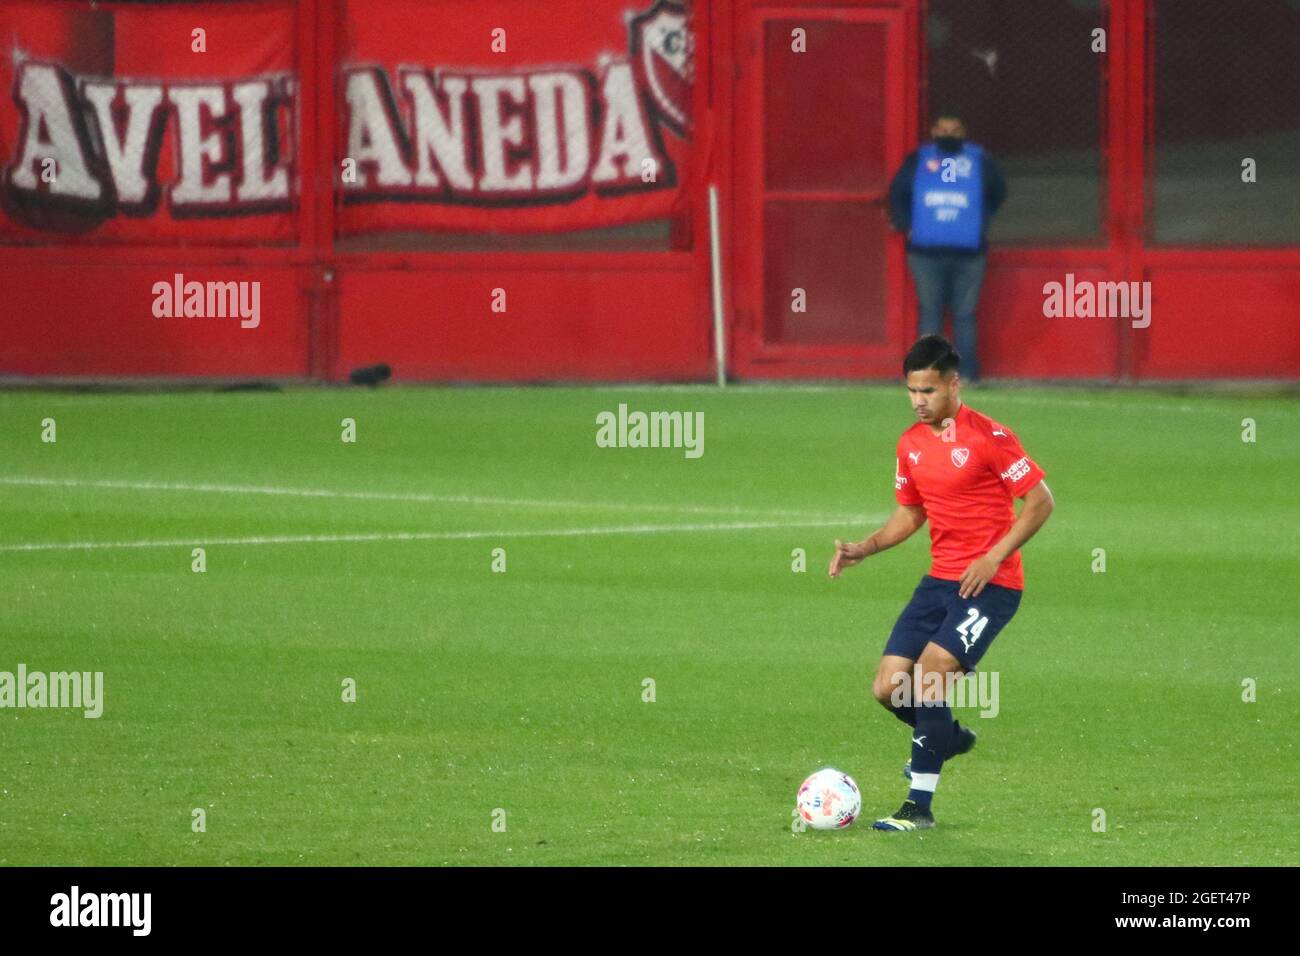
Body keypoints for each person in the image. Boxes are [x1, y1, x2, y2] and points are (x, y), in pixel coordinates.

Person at [828, 334, 1053, 831]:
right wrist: (864, 548)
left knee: (928, 679)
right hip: (939, 583)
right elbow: (910, 515)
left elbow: (1041, 501)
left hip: (991, 587)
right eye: (911, 391)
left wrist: (994, 558)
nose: (918, 401)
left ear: (954, 384)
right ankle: (944, 738)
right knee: (889, 689)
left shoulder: (990, 438)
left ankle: (919, 806)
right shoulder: (909, 444)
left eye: (928, 390)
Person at [888, 112, 1006, 383]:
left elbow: (998, 190)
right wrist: (909, 223)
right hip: (930, 252)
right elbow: (897, 193)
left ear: (963, 130)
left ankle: (952, 374)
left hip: (962, 253)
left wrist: (979, 219)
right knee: (941, 314)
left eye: (954, 128)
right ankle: (948, 375)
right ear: (934, 130)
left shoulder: (925, 159)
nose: (949, 133)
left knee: (956, 314)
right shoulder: (974, 159)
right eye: (944, 129)